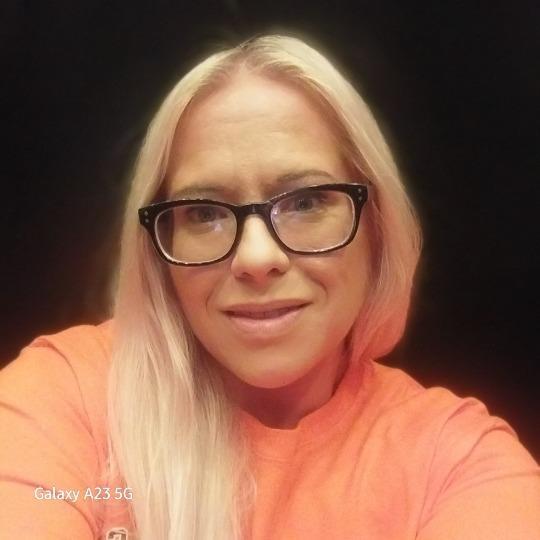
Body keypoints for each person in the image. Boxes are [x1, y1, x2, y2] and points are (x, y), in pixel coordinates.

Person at [0, 34, 539, 540]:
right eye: (204, 212)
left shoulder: (460, 464)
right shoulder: (64, 396)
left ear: (377, 225)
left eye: (306, 202)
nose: (256, 259)